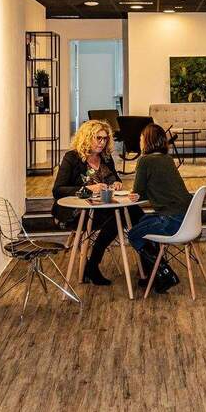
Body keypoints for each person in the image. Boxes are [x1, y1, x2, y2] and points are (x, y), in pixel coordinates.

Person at [52, 119, 144, 286]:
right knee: (118, 218)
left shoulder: (106, 158)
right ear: (87, 138)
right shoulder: (72, 157)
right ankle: (93, 265)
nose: (102, 143)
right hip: (77, 211)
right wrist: (88, 188)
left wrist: (116, 183)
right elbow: (58, 190)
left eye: (105, 139)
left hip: (102, 208)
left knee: (134, 211)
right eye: (98, 138)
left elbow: (114, 178)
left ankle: (149, 261)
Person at [126, 123, 192, 294]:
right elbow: (160, 188)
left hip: (171, 221)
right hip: (188, 219)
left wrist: (135, 195)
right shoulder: (167, 159)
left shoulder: (144, 161)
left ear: (147, 141)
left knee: (133, 234)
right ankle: (153, 273)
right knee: (143, 220)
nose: (140, 141)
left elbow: (138, 192)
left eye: (141, 138)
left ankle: (164, 272)